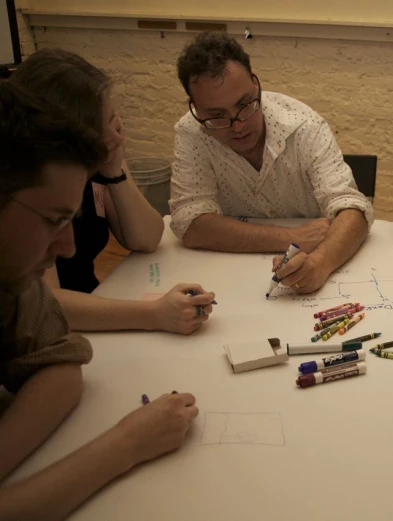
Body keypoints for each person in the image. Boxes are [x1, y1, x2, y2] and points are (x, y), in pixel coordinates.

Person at [0, 81, 198, 520]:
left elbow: (62, 364)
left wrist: (114, 168)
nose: (68, 246)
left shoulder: (12, 283)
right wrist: (123, 445)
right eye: (54, 220)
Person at [11, 49, 215, 335]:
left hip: (93, 309)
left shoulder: (94, 161)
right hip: (65, 325)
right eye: (105, 124)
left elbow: (146, 238)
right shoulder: (27, 186)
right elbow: (44, 304)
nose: (118, 135)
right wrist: (154, 314)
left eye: (114, 118)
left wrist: (114, 169)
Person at [171, 32, 373, 294]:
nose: (239, 125)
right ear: (195, 109)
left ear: (256, 85)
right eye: (217, 116)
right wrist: (291, 237)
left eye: (245, 104)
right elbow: (190, 224)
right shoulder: (190, 133)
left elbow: (353, 211)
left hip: (314, 260)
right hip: (231, 281)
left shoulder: (304, 126)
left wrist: (320, 264)